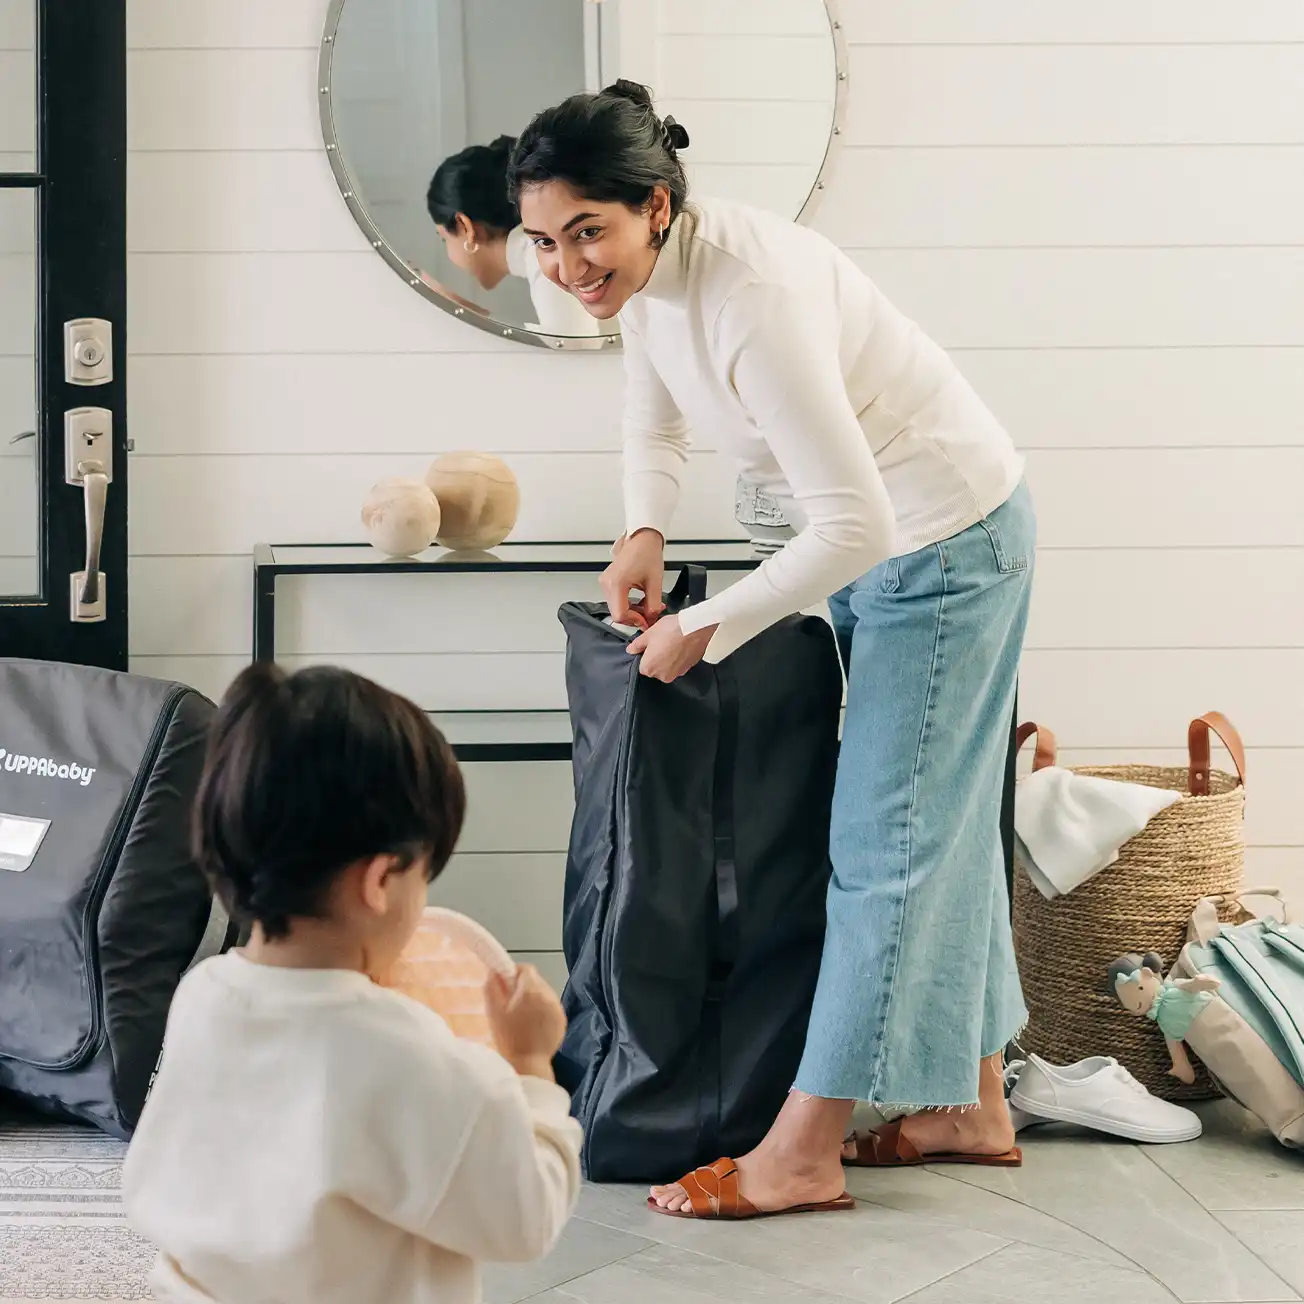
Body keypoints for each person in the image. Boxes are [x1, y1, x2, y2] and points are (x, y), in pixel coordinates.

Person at [507, 80, 1036, 1221]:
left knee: (883, 846)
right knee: (925, 822)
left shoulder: (752, 295)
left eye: (584, 233)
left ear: (653, 205)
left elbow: (862, 523)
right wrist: (642, 523)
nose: (565, 266)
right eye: (543, 240)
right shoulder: (647, 282)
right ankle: (971, 1104)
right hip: (865, 543)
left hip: (941, 540)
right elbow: (651, 417)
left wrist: (707, 626)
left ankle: (801, 1148)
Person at [121, 664, 581, 1301]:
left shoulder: (202, 997)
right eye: (424, 875)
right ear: (381, 880)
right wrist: (531, 1068)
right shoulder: (404, 1048)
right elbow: (524, 1219)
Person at [427, 136, 598, 337]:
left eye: (444, 238)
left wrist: (465, 313)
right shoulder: (541, 250)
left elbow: (574, 350)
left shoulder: (544, 253)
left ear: (466, 228)